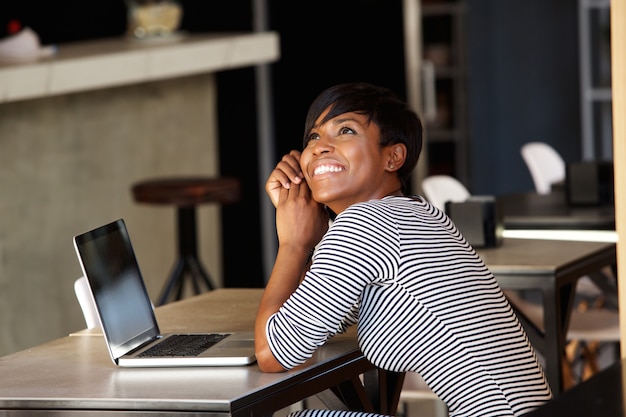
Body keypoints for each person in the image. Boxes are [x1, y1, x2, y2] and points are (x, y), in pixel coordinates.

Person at [254, 82, 553, 417]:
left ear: (393, 157)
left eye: (345, 130)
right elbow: (312, 332)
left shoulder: (364, 225)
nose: (320, 147)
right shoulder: (418, 214)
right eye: (313, 137)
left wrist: (294, 244)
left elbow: (274, 354)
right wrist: (314, 238)